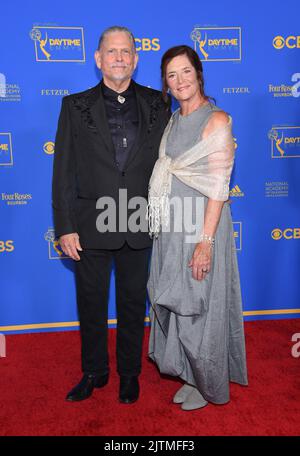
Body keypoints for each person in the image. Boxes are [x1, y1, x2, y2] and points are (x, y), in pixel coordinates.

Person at [52, 26, 170, 403]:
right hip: (89, 226)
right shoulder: (75, 105)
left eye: (126, 52)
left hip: (139, 221)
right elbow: (63, 170)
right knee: (91, 302)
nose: (119, 57)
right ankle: (94, 372)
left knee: (134, 303)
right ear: (98, 59)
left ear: (136, 60)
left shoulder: (159, 104)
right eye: (111, 51)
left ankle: (129, 374)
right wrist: (65, 226)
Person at [147, 45, 248, 411]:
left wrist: (204, 243)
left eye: (186, 71)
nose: (180, 80)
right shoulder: (173, 119)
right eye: (172, 75)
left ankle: (206, 383)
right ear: (166, 83)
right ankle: (190, 374)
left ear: (198, 73)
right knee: (177, 301)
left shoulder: (217, 120)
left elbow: (219, 189)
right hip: (173, 227)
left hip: (202, 228)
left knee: (199, 306)